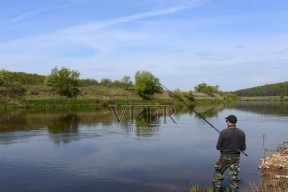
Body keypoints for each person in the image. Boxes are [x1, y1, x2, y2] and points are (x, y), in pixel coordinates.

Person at [212, 115, 246, 192]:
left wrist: (225, 146)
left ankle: (217, 190)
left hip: (224, 157)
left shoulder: (224, 132)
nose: (226, 122)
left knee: (218, 173)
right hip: (236, 157)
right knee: (234, 176)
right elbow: (243, 148)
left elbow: (218, 147)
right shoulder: (242, 133)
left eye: (226, 120)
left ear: (228, 122)